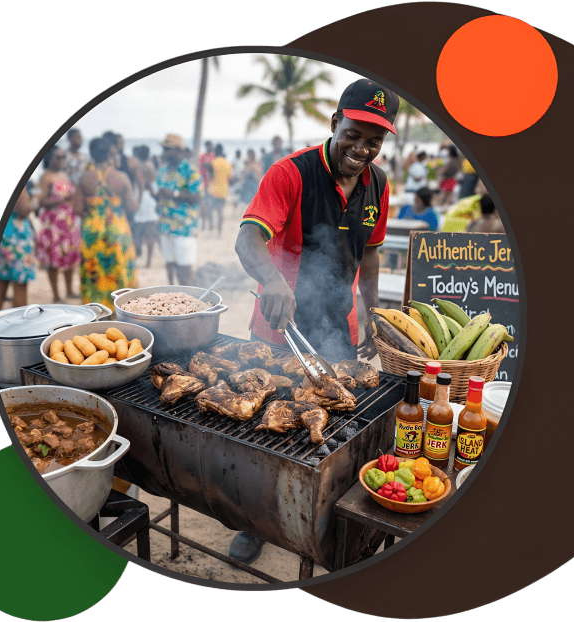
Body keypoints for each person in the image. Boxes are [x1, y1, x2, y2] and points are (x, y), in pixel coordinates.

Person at [233, 79, 399, 564]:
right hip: (280, 329)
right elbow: (247, 240)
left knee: (333, 432)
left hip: (340, 332)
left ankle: (317, 520)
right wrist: (276, 282)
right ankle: (253, 523)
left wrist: (371, 310)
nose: (362, 148)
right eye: (354, 133)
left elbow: (370, 254)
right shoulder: (291, 173)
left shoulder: (379, 184)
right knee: (263, 434)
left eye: (374, 139)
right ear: (335, 124)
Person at [74, 137, 138, 310]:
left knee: (93, 272)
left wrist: (93, 210)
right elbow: (132, 208)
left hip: (92, 232)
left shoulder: (85, 177)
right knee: (120, 270)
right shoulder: (121, 177)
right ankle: (123, 310)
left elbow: (77, 209)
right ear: (110, 155)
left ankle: (97, 310)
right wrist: (142, 187)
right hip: (117, 229)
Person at [155, 133, 202, 286]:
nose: (164, 153)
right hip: (165, 226)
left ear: (178, 150)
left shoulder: (190, 171)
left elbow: (197, 197)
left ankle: (195, 305)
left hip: (184, 227)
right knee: (171, 266)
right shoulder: (163, 170)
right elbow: (162, 195)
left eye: (167, 149)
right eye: (163, 149)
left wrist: (174, 194)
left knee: (185, 270)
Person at [36, 145, 80, 303]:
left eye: (63, 157)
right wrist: (61, 199)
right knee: (53, 259)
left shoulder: (64, 175)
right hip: (53, 223)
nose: (62, 160)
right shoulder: (46, 177)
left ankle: (69, 289)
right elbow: (41, 201)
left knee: (70, 256)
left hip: (67, 221)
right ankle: (56, 294)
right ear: (49, 158)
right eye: (58, 157)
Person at [0, 185, 37, 311]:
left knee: (0, 284)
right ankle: (19, 327)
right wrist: (33, 202)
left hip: (2, 232)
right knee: (20, 285)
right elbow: (22, 210)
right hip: (16, 235)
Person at [132, 145, 159, 267]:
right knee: (150, 232)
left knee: (138, 229)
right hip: (151, 197)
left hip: (141, 196)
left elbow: (140, 185)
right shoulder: (151, 166)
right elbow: (154, 183)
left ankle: (137, 256)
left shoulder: (138, 167)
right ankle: (148, 261)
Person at [204, 143, 232, 235]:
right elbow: (229, 178)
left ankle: (211, 228)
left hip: (212, 190)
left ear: (215, 152)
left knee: (210, 211)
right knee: (220, 213)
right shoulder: (227, 163)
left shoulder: (213, 162)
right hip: (223, 191)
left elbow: (210, 177)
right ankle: (219, 231)